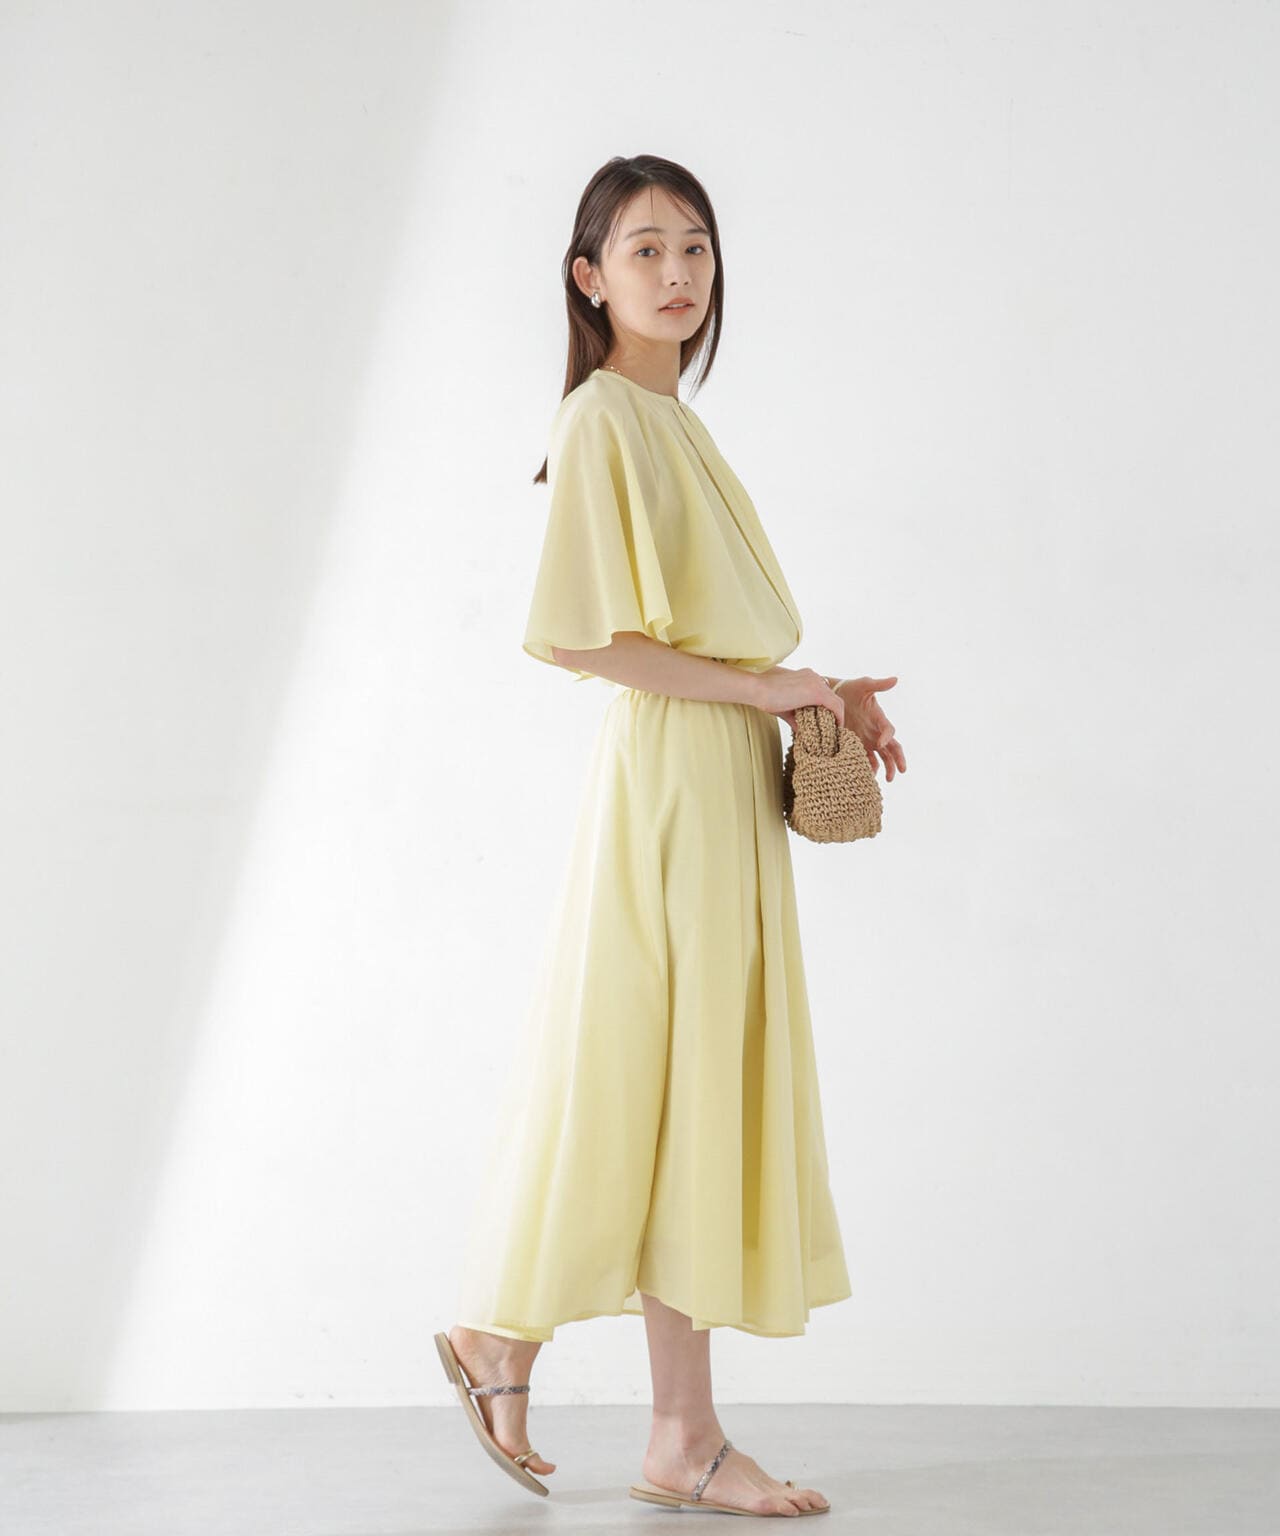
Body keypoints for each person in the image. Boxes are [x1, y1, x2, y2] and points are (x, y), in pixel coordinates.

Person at [437, 155, 906, 1520]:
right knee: (661, 1070)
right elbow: (584, 638)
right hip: (676, 782)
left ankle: (645, 1416)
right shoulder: (603, 418)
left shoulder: (671, 422)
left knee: (684, 1081)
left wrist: (813, 690)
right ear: (589, 278)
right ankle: (602, 1392)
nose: (678, 271)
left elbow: (705, 634)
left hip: (718, 774)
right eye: (644, 249)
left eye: (694, 245)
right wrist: (765, 691)